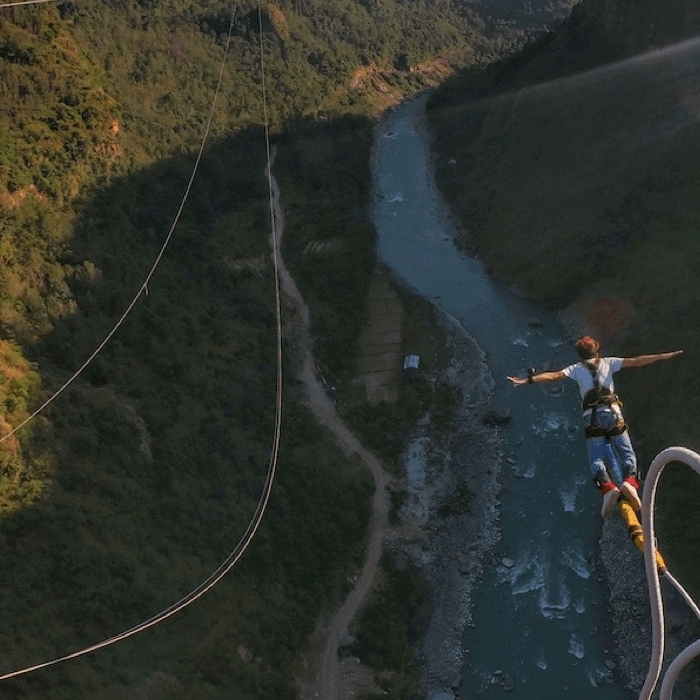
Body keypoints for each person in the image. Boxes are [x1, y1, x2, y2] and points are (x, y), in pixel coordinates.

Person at [507, 336, 683, 517]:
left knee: (596, 459)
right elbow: (637, 361)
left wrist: (527, 380)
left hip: (592, 418)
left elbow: (554, 376)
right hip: (613, 414)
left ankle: (607, 488)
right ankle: (630, 481)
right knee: (627, 454)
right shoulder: (609, 363)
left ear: (580, 355)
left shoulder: (575, 368)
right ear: (597, 350)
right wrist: (664, 356)